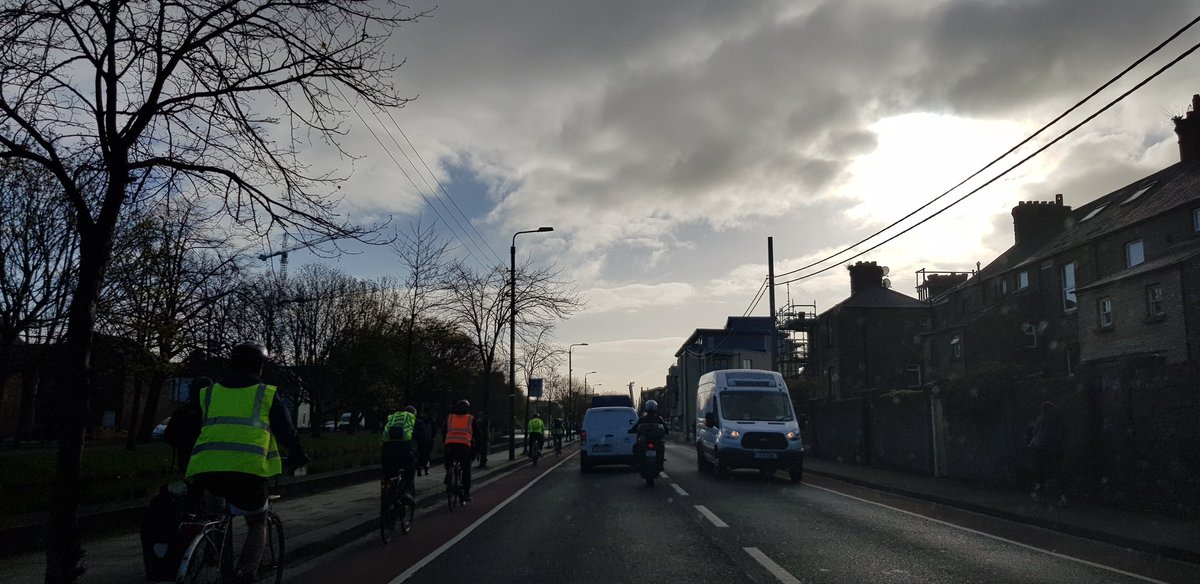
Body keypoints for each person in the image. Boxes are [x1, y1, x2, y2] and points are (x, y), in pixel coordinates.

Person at [182, 341, 309, 584]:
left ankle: (213, 557)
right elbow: (286, 432)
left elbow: (193, 430)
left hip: (207, 472)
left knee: (215, 518)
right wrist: (298, 454)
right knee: (257, 522)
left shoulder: (208, 393)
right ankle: (246, 574)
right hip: (248, 473)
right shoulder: (266, 394)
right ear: (260, 367)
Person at [1029, 400, 1067, 506]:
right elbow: (1062, 434)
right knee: (1058, 473)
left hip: (1044, 450)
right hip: (1056, 450)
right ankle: (1062, 496)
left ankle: (1039, 493)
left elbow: (1034, 432)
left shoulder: (1042, 420)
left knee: (1041, 472)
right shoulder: (1058, 420)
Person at [443, 399, 476, 502]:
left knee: (449, 462)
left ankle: (448, 476)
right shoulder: (470, 418)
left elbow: (444, 430)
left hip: (450, 445)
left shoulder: (450, 417)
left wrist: (445, 440)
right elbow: (478, 433)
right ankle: (466, 492)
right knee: (466, 469)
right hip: (464, 446)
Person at [382, 406, 417, 497]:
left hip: (388, 448)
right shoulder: (412, 419)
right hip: (403, 448)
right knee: (410, 468)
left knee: (389, 473)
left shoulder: (393, 418)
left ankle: (386, 489)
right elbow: (421, 436)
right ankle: (406, 490)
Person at [414, 411, 434, 476]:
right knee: (425, 456)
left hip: (425, 441)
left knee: (423, 456)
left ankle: (423, 469)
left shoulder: (420, 422)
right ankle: (424, 469)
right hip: (424, 441)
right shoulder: (429, 422)